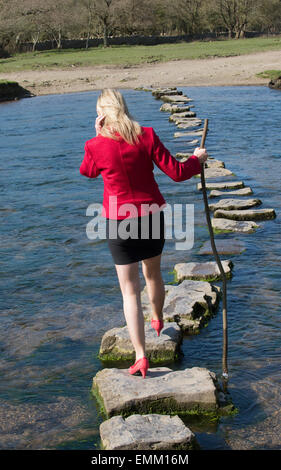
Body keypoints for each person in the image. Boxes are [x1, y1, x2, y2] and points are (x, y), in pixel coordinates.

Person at [79, 88, 208, 379]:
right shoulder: (146, 135)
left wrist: (98, 136)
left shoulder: (95, 145)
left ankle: (140, 356)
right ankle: (158, 319)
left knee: (129, 291)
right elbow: (177, 171)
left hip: (117, 222)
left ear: (102, 114)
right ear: (123, 107)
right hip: (150, 216)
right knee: (153, 275)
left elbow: (87, 171)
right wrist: (196, 160)